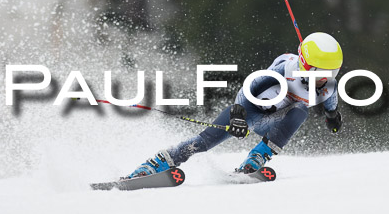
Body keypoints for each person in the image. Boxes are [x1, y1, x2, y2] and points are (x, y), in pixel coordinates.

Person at [127, 32, 344, 178]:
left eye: (333, 72)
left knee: (300, 111)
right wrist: (239, 115)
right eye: (322, 72)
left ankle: (258, 156)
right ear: (306, 65)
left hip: (272, 122)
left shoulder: (327, 85)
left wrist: (332, 116)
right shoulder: (284, 71)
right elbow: (248, 89)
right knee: (205, 142)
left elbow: (330, 102)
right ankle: (156, 164)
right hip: (249, 111)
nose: (326, 77)